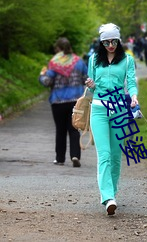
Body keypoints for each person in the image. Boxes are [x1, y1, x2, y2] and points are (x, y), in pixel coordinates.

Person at [85, 23, 138, 215]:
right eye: (106, 42)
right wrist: (90, 84)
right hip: (98, 109)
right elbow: (91, 89)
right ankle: (107, 197)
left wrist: (133, 96)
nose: (110, 45)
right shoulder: (93, 60)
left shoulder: (127, 60)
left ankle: (112, 193)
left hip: (119, 110)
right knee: (104, 154)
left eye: (114, 41)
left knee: (116, 156)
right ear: (101, 42)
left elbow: (131, 82)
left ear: (119, 40)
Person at [39, 37, 88, 167]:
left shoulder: (54, 63)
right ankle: (75, 155)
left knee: (60, 130)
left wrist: (42, 75)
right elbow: (86, 79)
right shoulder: (79, 62)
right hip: (75, 101)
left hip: (58, 101)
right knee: (74, 129)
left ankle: (60, 158)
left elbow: (47, 82)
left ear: (58, 49)